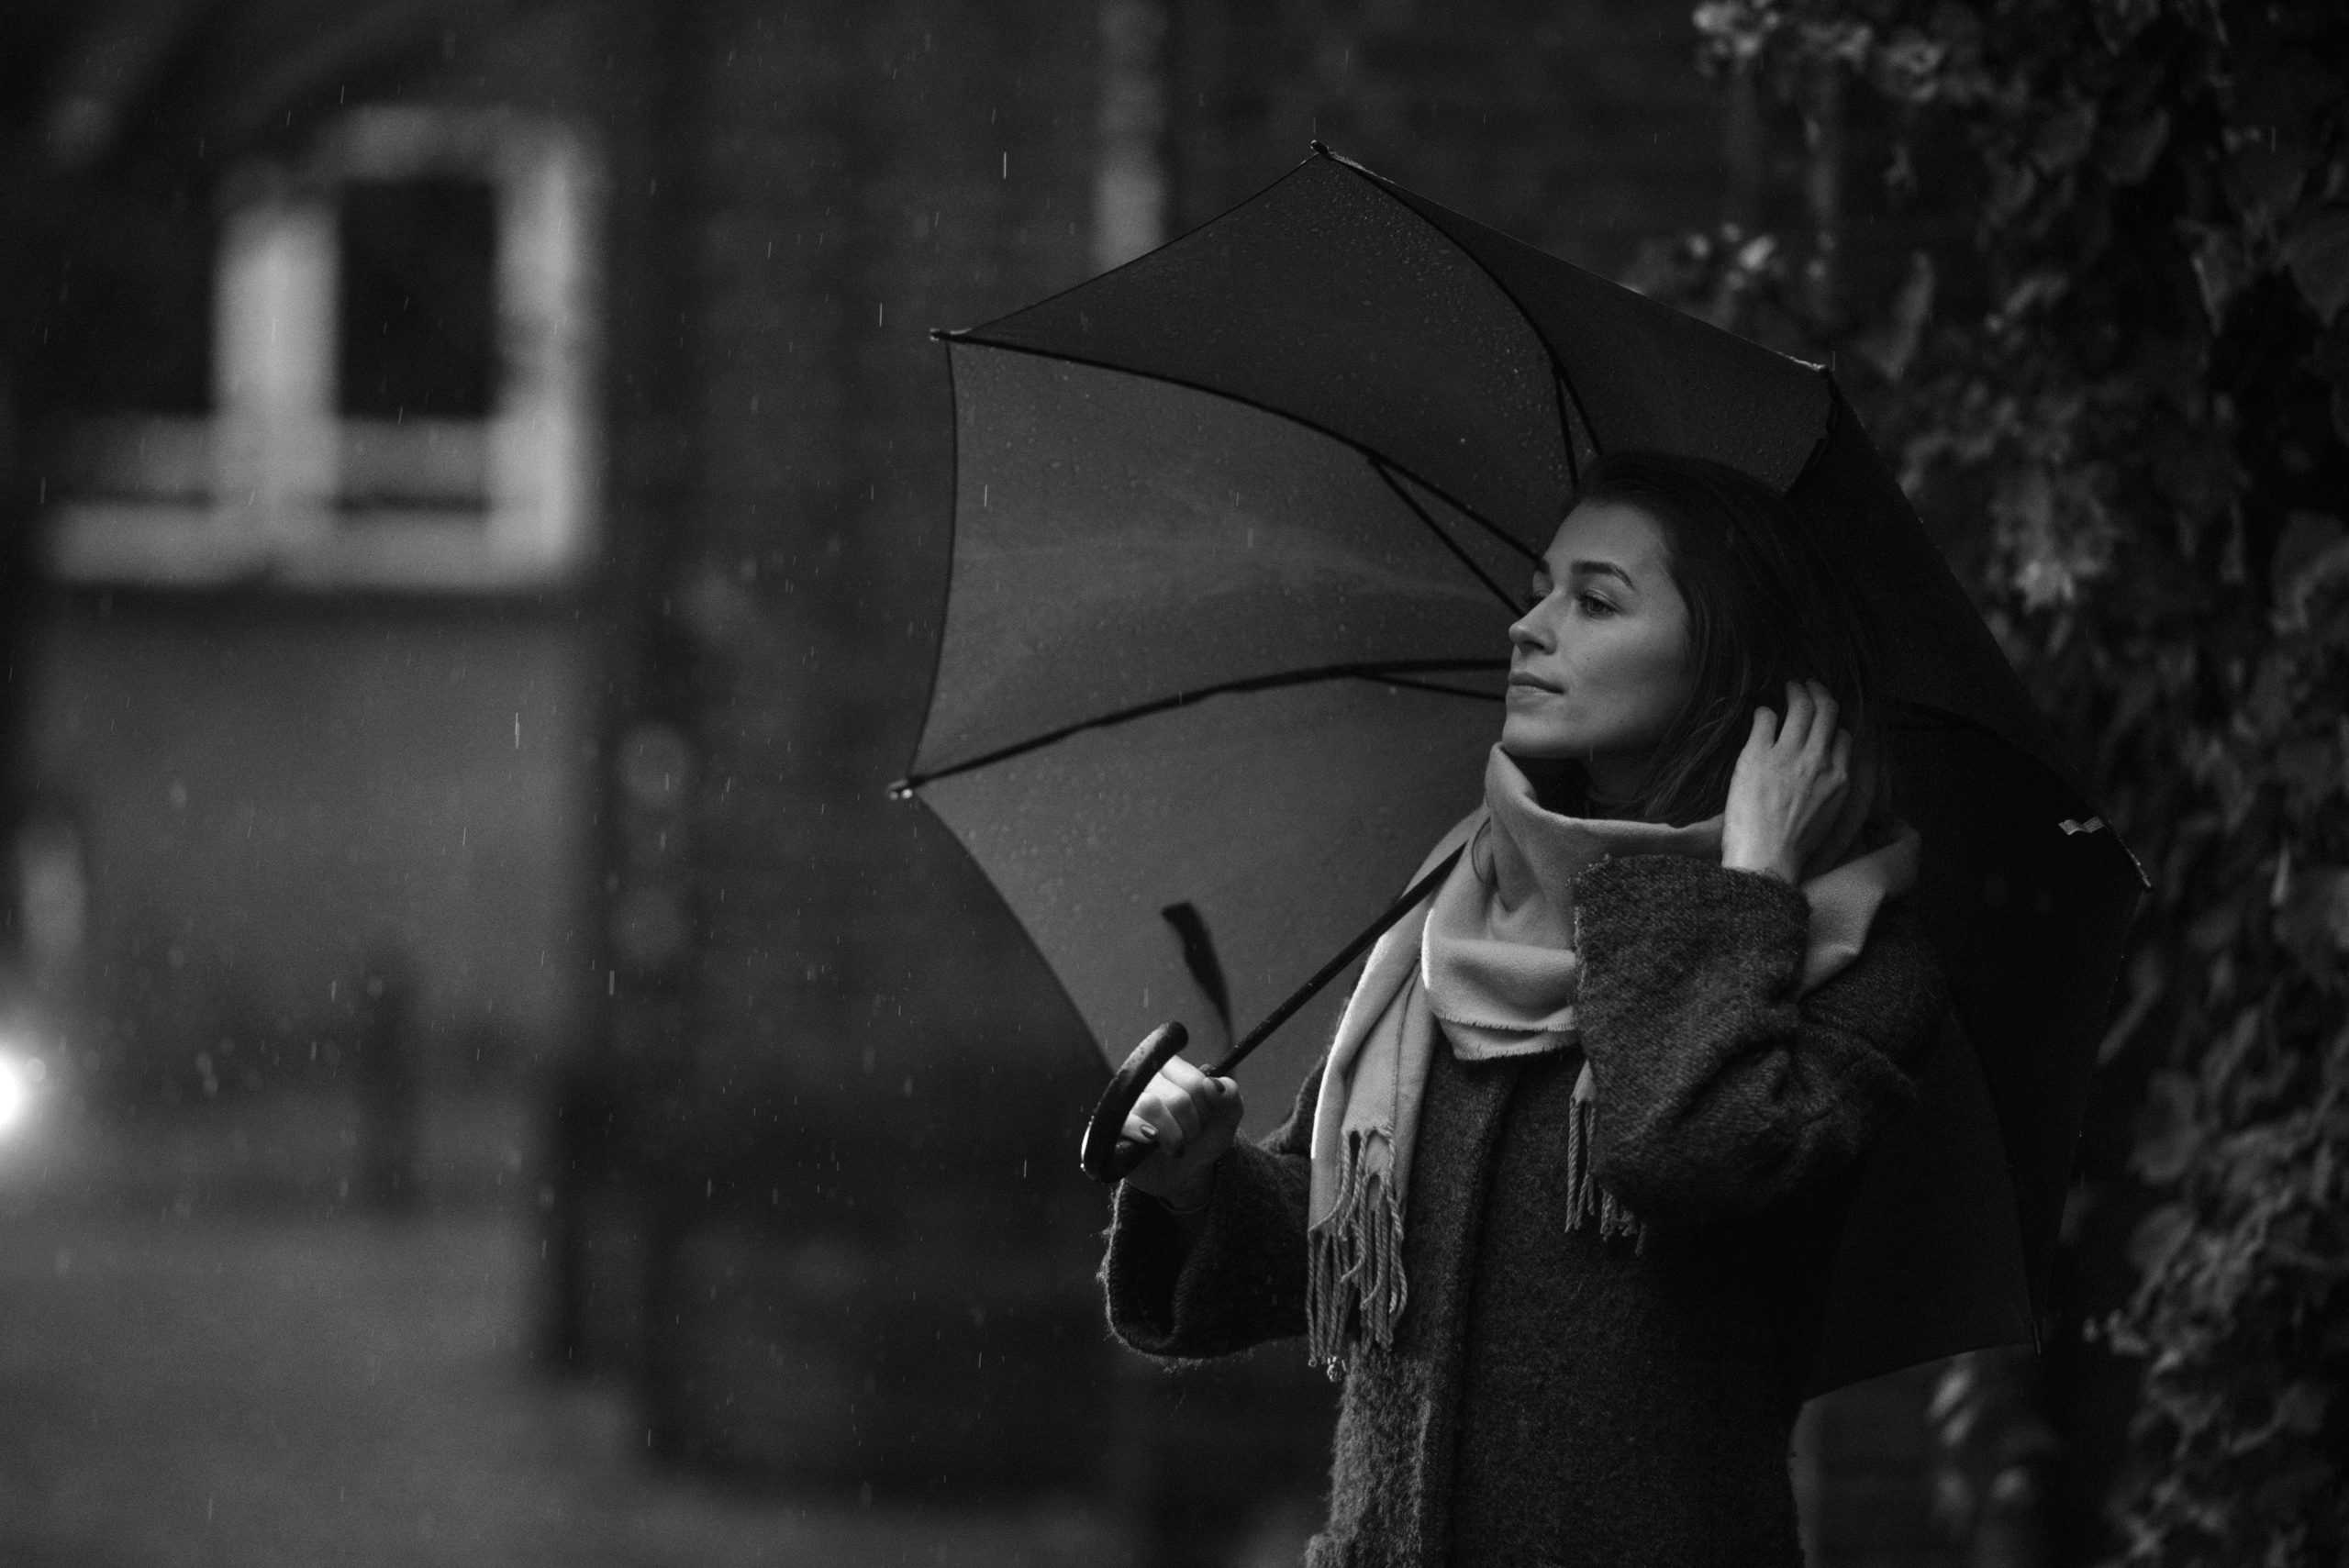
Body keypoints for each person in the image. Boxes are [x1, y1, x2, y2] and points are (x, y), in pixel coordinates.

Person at [1097, 450, 1949, 1568]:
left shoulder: (1851, 964)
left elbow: (1680, 1149)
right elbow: (1342, 1250)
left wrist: (1745, 892)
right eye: (1542, 587)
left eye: (1593, 600)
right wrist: (1195, 1181)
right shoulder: (1461, 902)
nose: (1527, 626)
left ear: (1732, 669)